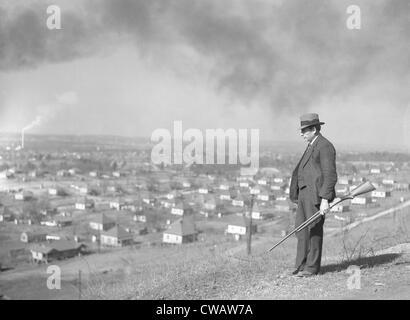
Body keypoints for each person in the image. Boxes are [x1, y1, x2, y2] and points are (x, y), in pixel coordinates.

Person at [289, 113, 337, 277]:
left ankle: (311, 268)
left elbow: (330, 175)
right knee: (301, 231)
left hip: (316, 196)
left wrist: (325, 200)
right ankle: (301, 266)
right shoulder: (312, 145)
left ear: (315, 129)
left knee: (313, 231)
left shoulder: (325, 146)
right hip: (304, 195)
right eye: (301, 130)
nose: (301, 134)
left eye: (305, 130)